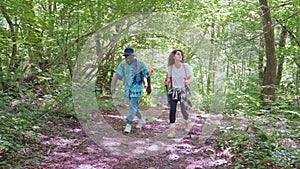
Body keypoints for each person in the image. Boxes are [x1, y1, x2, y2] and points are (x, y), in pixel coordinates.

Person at [111, 47, 152, 133]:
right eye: (126, 57)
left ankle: (128, 124)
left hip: (137, 88)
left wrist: (149, 86)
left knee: (132, 106)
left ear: (133, 56)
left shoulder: (140, 63)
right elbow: (117, 75)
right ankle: (141, 119)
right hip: (128, 88)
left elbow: (147, 75)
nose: (128, 59)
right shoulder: (123, 64)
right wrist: (113, 86)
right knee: (134, 106)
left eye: (129, 57)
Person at [165, 49, 192, 138]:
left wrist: (188, 81)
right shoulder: (171, 67)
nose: (180, 56)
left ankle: (187, 124)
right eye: (178, 54)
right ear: (173, 57)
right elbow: (170, 78)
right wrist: (167, 82)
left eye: (181, 54)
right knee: (172, 110)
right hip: (174, 91)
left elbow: (191, 77)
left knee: (184, 110)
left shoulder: (185, 66)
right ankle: (172, 131)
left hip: (184, 90)